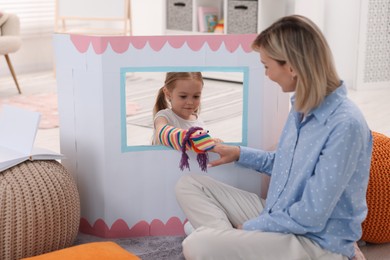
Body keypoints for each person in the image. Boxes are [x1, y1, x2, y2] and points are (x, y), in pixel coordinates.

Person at [175, 15, 372, 260]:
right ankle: (231, 244)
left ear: (291, 67)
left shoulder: (345, 125)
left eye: (267, 66)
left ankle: (226, 243)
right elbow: (286, 164)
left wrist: (249, 229)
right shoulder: (301, 108)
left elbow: (311, 214)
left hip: (315, 241)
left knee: (197, 243)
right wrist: (238, 153)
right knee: (190, 185)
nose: (267, 74)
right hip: (278, 215)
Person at [152, 72, 206, 145]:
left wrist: (212, 143)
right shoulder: (163, 117)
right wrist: (190, 136)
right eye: (183, 96)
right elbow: (162, 133)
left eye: (196, 96)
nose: (190, 102)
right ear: (168, 94)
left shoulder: (199, 121)